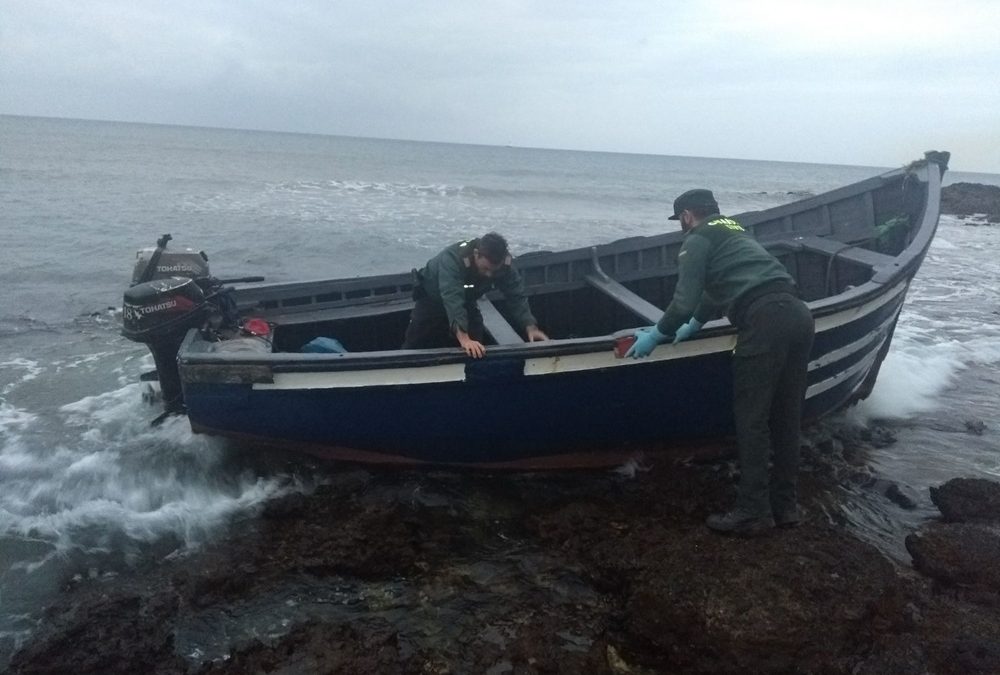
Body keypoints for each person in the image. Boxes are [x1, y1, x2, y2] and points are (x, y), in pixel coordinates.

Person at [626, 189, 815, 535]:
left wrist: (658, 333)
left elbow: (682, 301)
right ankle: (786, 508)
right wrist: (696, 323)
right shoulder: (735, 229)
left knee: (752, 419)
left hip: (763, 321)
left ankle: (753, 512)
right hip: (799, 315)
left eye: (680, 221)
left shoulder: (697, 239)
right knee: (787, 418)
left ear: (686, 216)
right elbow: (716, 288)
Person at [402, 232, 548, 358]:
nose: (489, 274)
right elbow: (452, 297)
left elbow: (516, 295)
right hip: (432, 300)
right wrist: (464, 338)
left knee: (477, 340)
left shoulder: (504, 265)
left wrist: (530, 326)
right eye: (485, 269)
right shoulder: (453, 259)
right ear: (477, 254)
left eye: (494, 271)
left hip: (467, 300)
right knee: (415, 341)